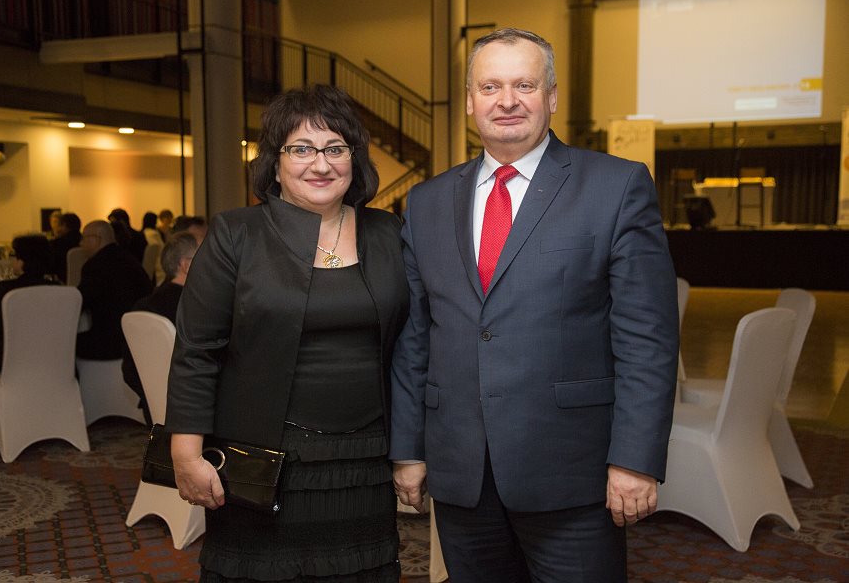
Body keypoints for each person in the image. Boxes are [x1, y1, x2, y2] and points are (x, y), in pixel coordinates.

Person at [390, 28, 680, 583]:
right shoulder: (426, 202)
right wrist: (409, 449)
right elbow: (415, 337)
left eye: (524, 85)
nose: (507, 100)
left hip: (573, 474)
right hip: (462, 471)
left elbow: (648, 339)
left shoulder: (616, 186)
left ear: (551, 97)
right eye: (490, 87)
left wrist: (634, 459)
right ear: (470, 100)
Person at [165, 85, 409, 583]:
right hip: (263, 458)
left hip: (364, 460)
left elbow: (410, 348)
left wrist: (412, 449)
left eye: (335, 148)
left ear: (354, 159)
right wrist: (185, 452)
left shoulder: (389, 233)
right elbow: (196, 351)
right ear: (275, 164)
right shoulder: (236, 234)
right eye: (301, 149)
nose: (320, 164)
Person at [121, 231, 197, 425]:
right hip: (195, 413)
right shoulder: (198, 309)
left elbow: (129, 369)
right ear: (186, 266)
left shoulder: (143, 306)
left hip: (154, 410)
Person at [0, 234, 58, 372]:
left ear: (21, 262)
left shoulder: (5, 290)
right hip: (55, 365)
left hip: (11, 367)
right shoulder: (60, 290)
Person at [76, 220, 153, 360]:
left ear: (96, 239)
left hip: (111, 342)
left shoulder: (94, 266)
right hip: (139, 337)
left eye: (84, 238)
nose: (81, 243)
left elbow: (81, 302)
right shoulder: (131, 259)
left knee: (65, 342)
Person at [49, 212, 82, 283]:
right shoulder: (84, 242)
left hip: (63, 282)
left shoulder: (58, 244)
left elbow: (51, 267)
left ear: (64, 225)